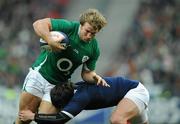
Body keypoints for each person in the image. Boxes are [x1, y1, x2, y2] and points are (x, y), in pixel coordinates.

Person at [15, 8, 109, 124]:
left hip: (58, 88)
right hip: (39, 76)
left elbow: (86, 73)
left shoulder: (94, 49)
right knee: (23, 120)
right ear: (81, 24)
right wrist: (50, 40)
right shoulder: (68, 27)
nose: (89, 36)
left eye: (93, 34)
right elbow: (38, 24)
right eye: (87, 31)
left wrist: (95, 77)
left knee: (46, 122)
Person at [19, 76, 150, 124]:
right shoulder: (72, 89)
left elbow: (60, 118)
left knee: (116, 119)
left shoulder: (80, 97)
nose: (60, 109)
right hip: (127, 97)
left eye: (61, 107)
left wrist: (33, 116)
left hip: (135, 92)